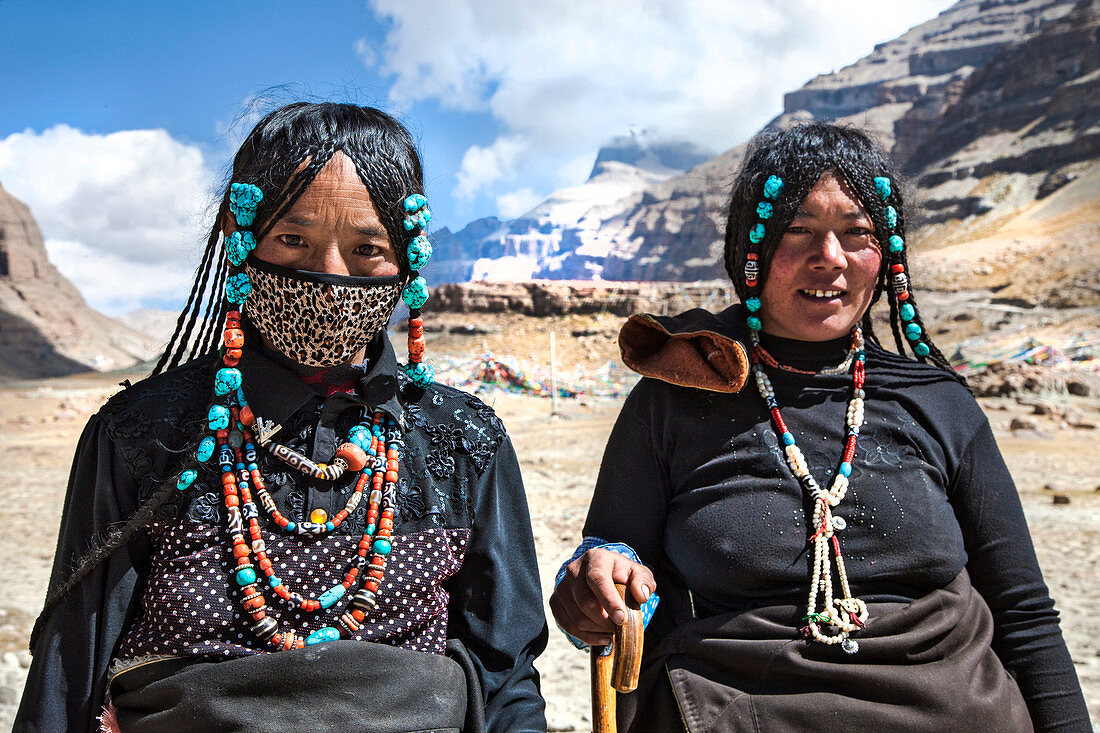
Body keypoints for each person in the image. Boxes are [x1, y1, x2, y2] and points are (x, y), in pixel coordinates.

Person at [15, 102, 547, 733]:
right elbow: (70, 668)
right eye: (293, 240)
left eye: (366, 248)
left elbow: (503, 672)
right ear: (242, 243)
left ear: (406, 262)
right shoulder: (144, 435)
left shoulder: (463, 440)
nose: (328, 275)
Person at [550, 122, 1090, 732]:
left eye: (856, 233)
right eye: (798, 231)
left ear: (885, 255)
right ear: (750, 249)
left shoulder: (939, 403)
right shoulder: (676, 397)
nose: (828, 258)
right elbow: (605, 573)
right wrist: (597, 589)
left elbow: (1023, 615)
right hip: (738, 713)